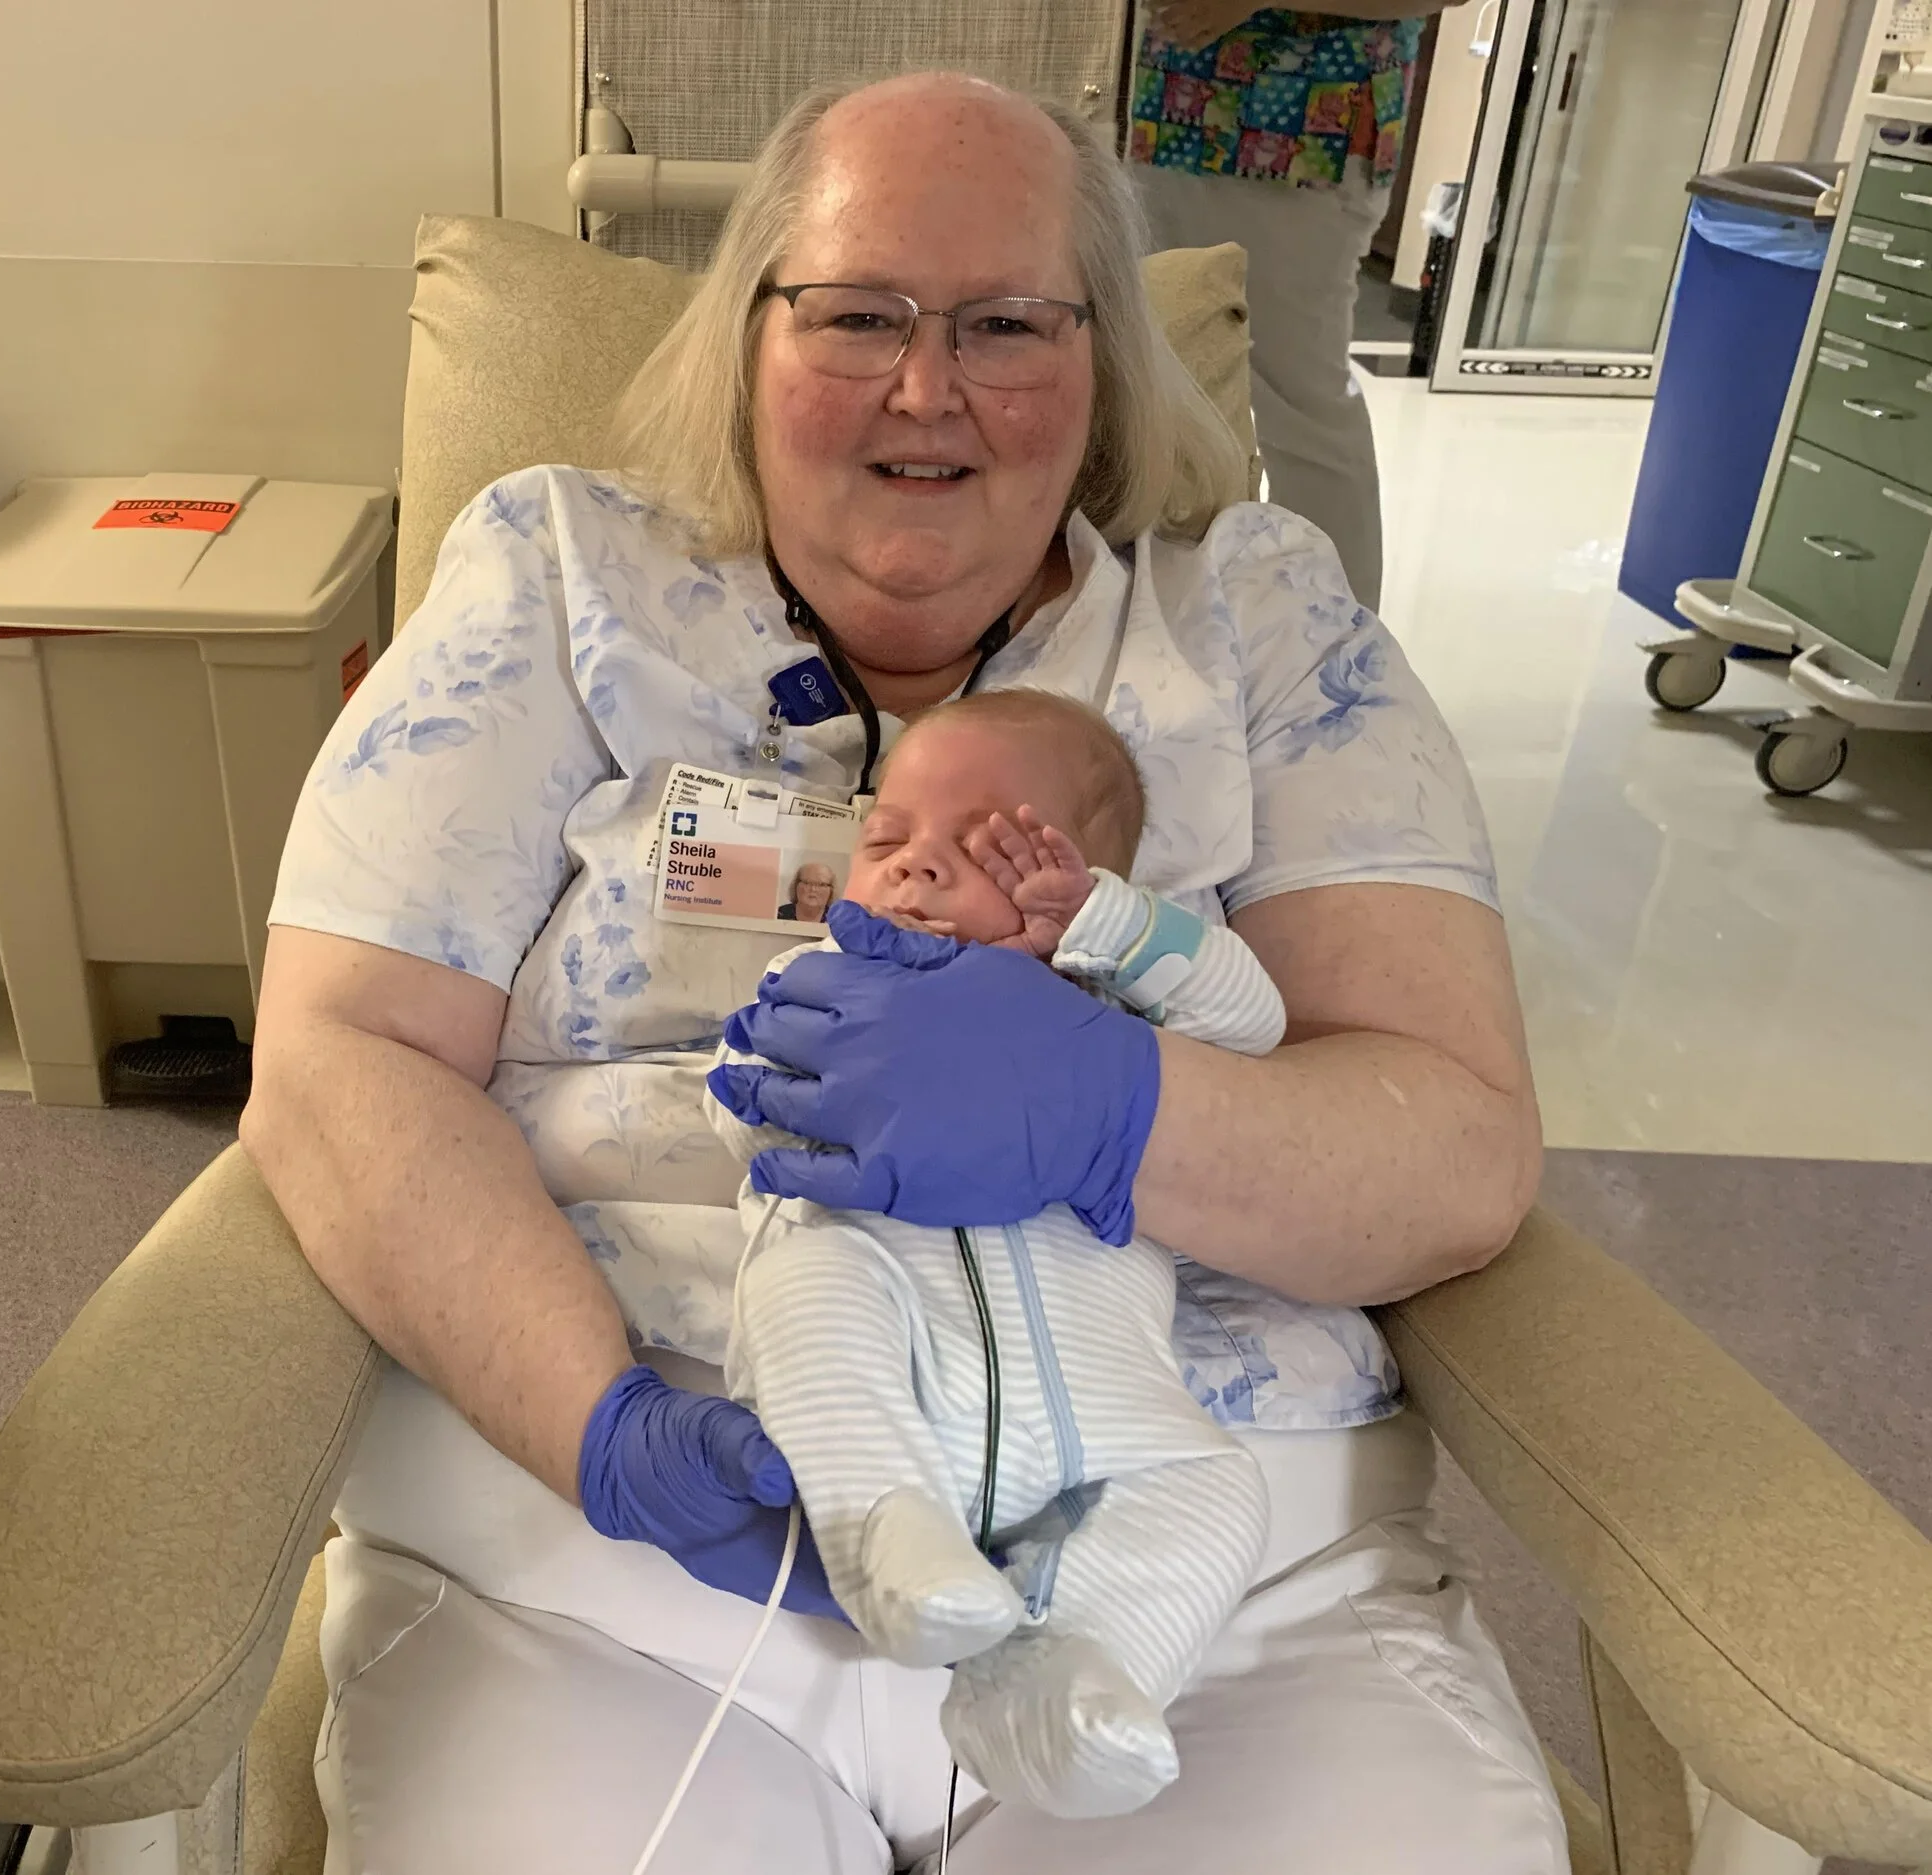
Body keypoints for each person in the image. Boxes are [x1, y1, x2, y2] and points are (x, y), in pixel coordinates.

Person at [247, 69, 1558, 1873]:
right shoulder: (559, 581)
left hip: (1205, 1573)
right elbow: (338, 1057)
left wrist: (1115, 1110)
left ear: (1100, 368)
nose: (926, 390)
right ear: (747, 340)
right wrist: (600, 1430)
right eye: (859, 313)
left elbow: (1454, 1146)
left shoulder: (1257, 623)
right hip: (595, 1560)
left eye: (1009, 324)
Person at [710, 689, 1285, 1819]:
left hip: (1096, 1407)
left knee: (1220, 1492)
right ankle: (886, 1534)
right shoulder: (827, 986)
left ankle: (1056, 1684)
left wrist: (1104, 932)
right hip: (895, 1364)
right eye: (886, 840)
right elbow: (741, 1108)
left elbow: (1254, 1019)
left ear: (1080, 878)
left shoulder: (1120, 1015)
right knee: (805, 1279)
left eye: (985, 846)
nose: (914, 867)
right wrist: (828, 1057)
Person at [1128, 2, 1445, 607]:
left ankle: (1334, 660)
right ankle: (1183, 632)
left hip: (1298, 134)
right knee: (1161, 399)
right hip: (1154, 114)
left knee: (1296, 407)